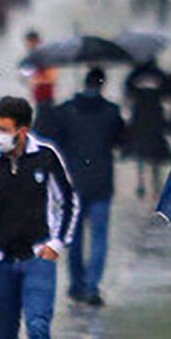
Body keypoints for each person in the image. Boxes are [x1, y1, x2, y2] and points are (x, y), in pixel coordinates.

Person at [0, 97, 79, 339]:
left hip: (38, 258)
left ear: (22, 130)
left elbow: (69, 201)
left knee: (38, 328)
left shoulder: (46, 157)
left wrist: (57, 244)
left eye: (3, 128)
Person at [50, 68, 125, 306]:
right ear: (102, 85)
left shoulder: (65, 111)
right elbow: (120, 141)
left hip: (73, 184)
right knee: (99, 237)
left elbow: (55, 142)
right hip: (102, 182)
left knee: (73, 236)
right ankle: (92, 287)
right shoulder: (112, 112)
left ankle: (76, 284)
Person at [124, 58, 171, 200]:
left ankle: (141, 184)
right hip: (156, 116)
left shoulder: (134, 74)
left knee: (140, 151)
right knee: (156, 151)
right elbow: (167, 92)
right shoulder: (159, 74)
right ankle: (156, 185)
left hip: (139, 116)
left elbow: (128, 93)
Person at [23, 30, 59, 136]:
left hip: (45, 97)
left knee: (42, 125)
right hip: (38, 98)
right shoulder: (33, 58)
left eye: (30, 42)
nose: (28, 45)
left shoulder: (45, 57)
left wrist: (35, 80)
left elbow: (51, 78)